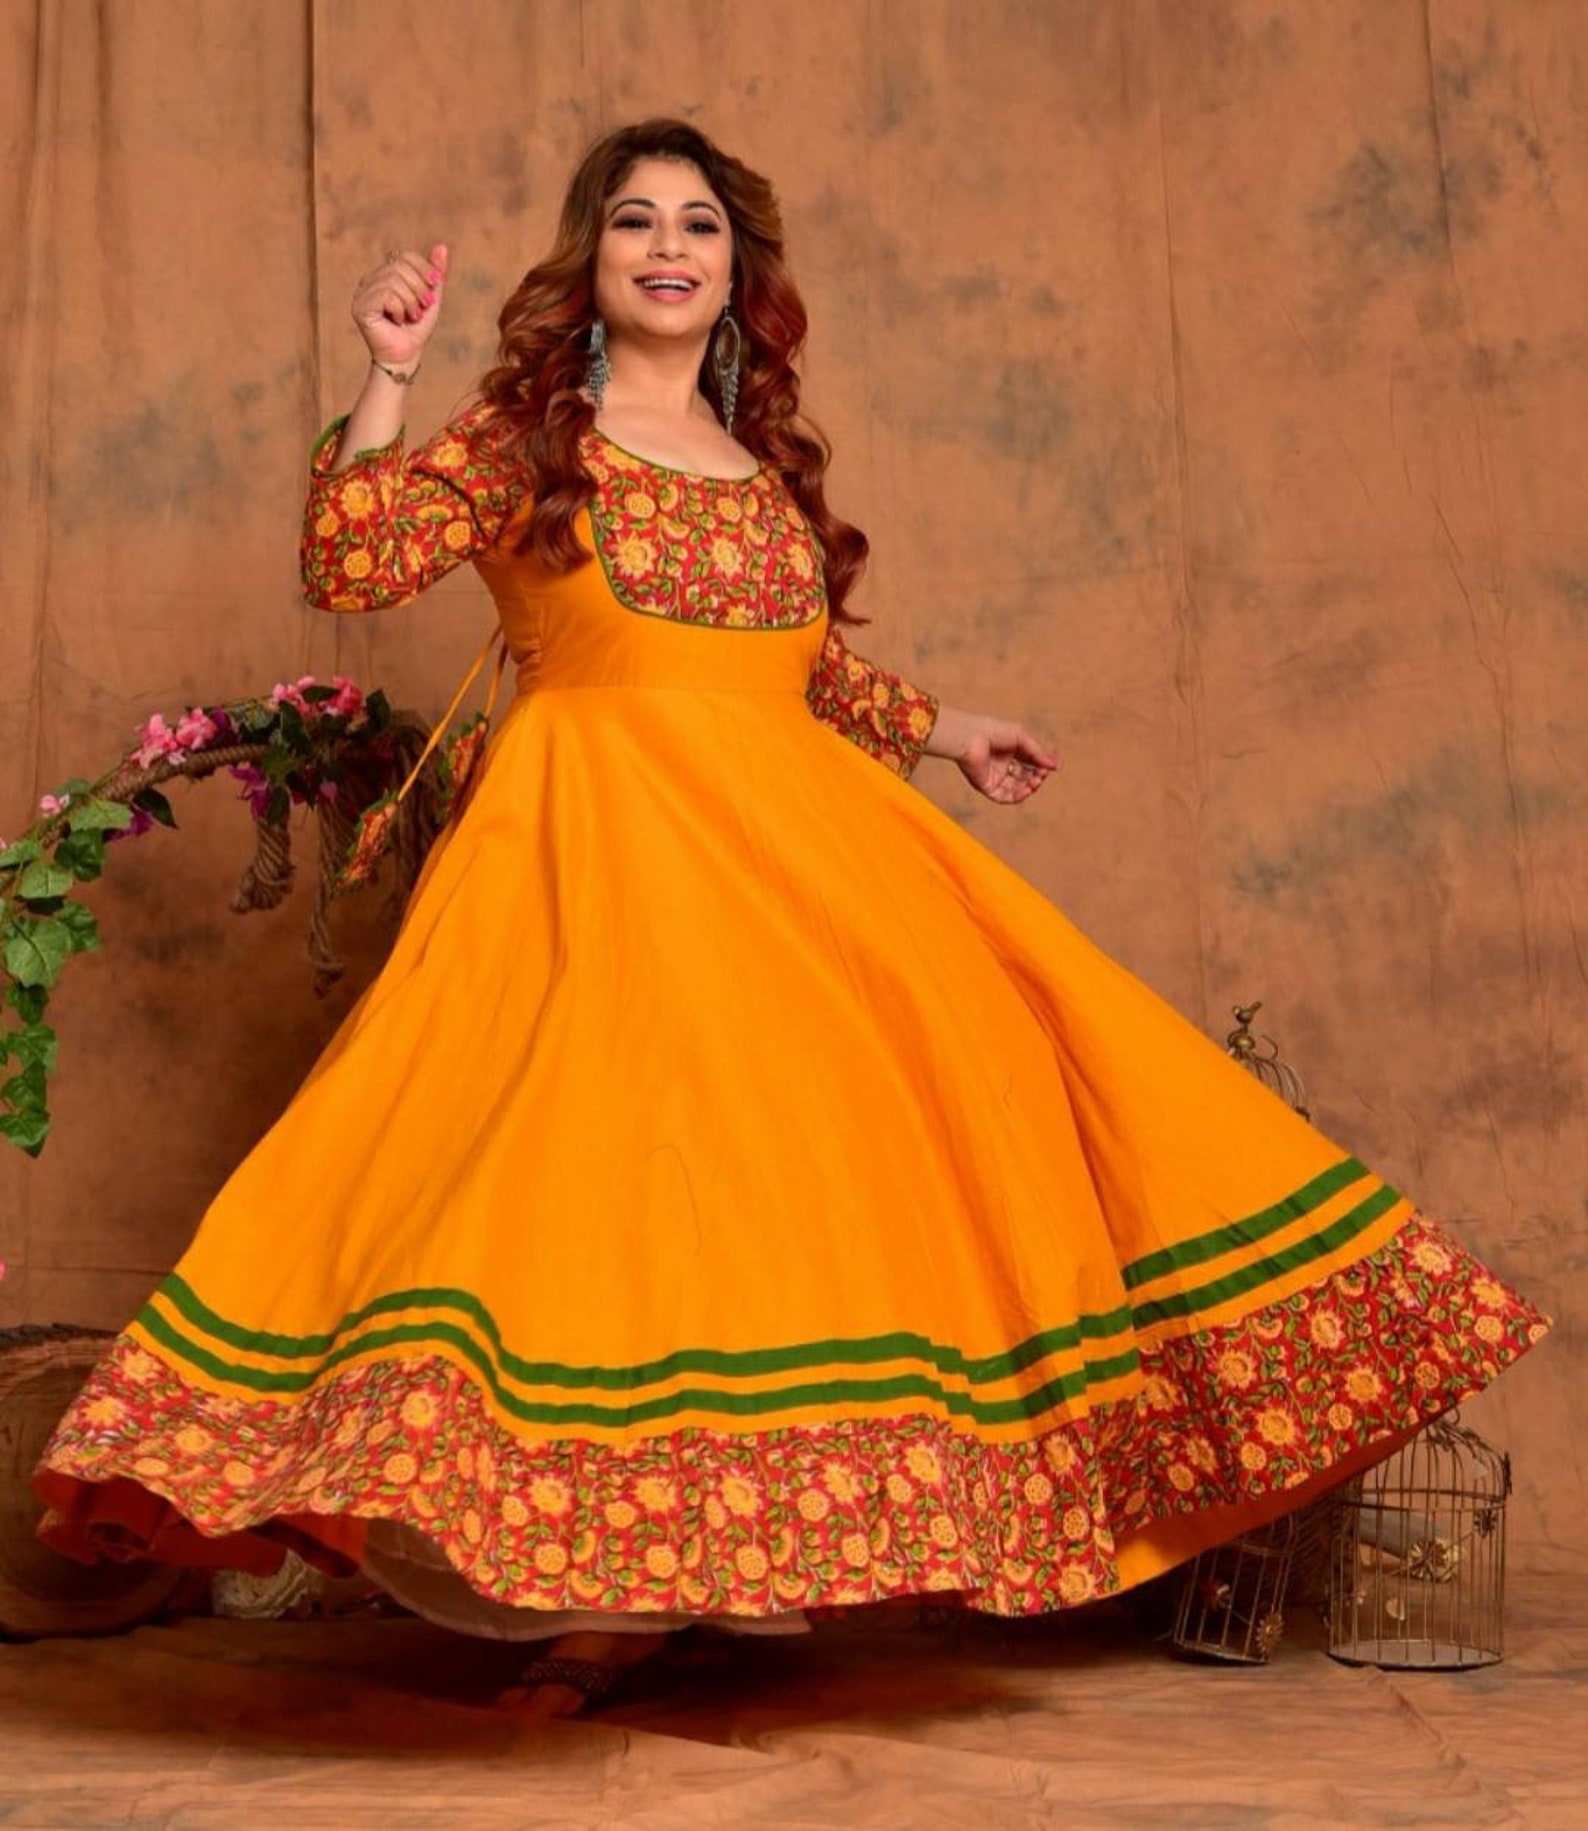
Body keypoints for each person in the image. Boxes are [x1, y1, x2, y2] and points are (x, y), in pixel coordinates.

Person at [34, 118, 1548, 1720]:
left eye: (698, 224)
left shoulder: (761, 472)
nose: (668, 247)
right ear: (591, 263)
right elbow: (349, 555)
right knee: (598, 1200)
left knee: (792, 1195)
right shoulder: (529, 441)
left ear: (737, 270)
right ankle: (609, 1593)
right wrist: (390, 373)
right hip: (592, 867)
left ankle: (714, 1564)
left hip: (788, 869)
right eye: (635, 221)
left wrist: (948, 729)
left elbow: (794, 671)